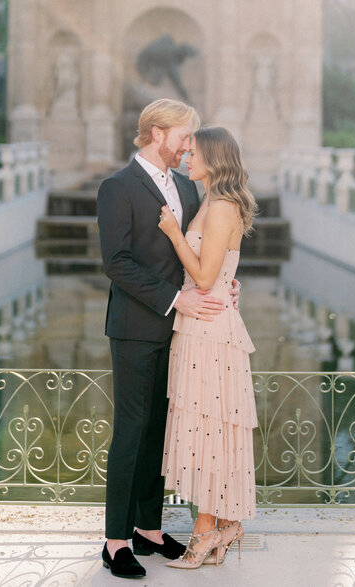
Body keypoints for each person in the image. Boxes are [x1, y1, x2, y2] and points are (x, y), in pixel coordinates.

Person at [98, 98, 239, 579]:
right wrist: (176, 300)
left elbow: (202, 251)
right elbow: (116, 262)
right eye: (182, 136)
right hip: (137, 328)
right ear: (157, 133)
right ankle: (116, 540)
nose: (187, 146)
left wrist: (226, 282)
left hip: (184, 333)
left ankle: (149, 530)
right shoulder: (116, 187)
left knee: (159, 431)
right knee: (132, 430)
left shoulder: (187, 186)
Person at [158, 125, 258, 569]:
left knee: (209, 432)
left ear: (215, 159)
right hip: (204, 325)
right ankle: (218, 528)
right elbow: (218, 275)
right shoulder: (214, 204)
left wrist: (173, 233)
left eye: (194, 152)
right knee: (208, 432)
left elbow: (202, 277)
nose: (186, 157)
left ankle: (204, 534)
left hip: (211, 331)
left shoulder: (219, 207)